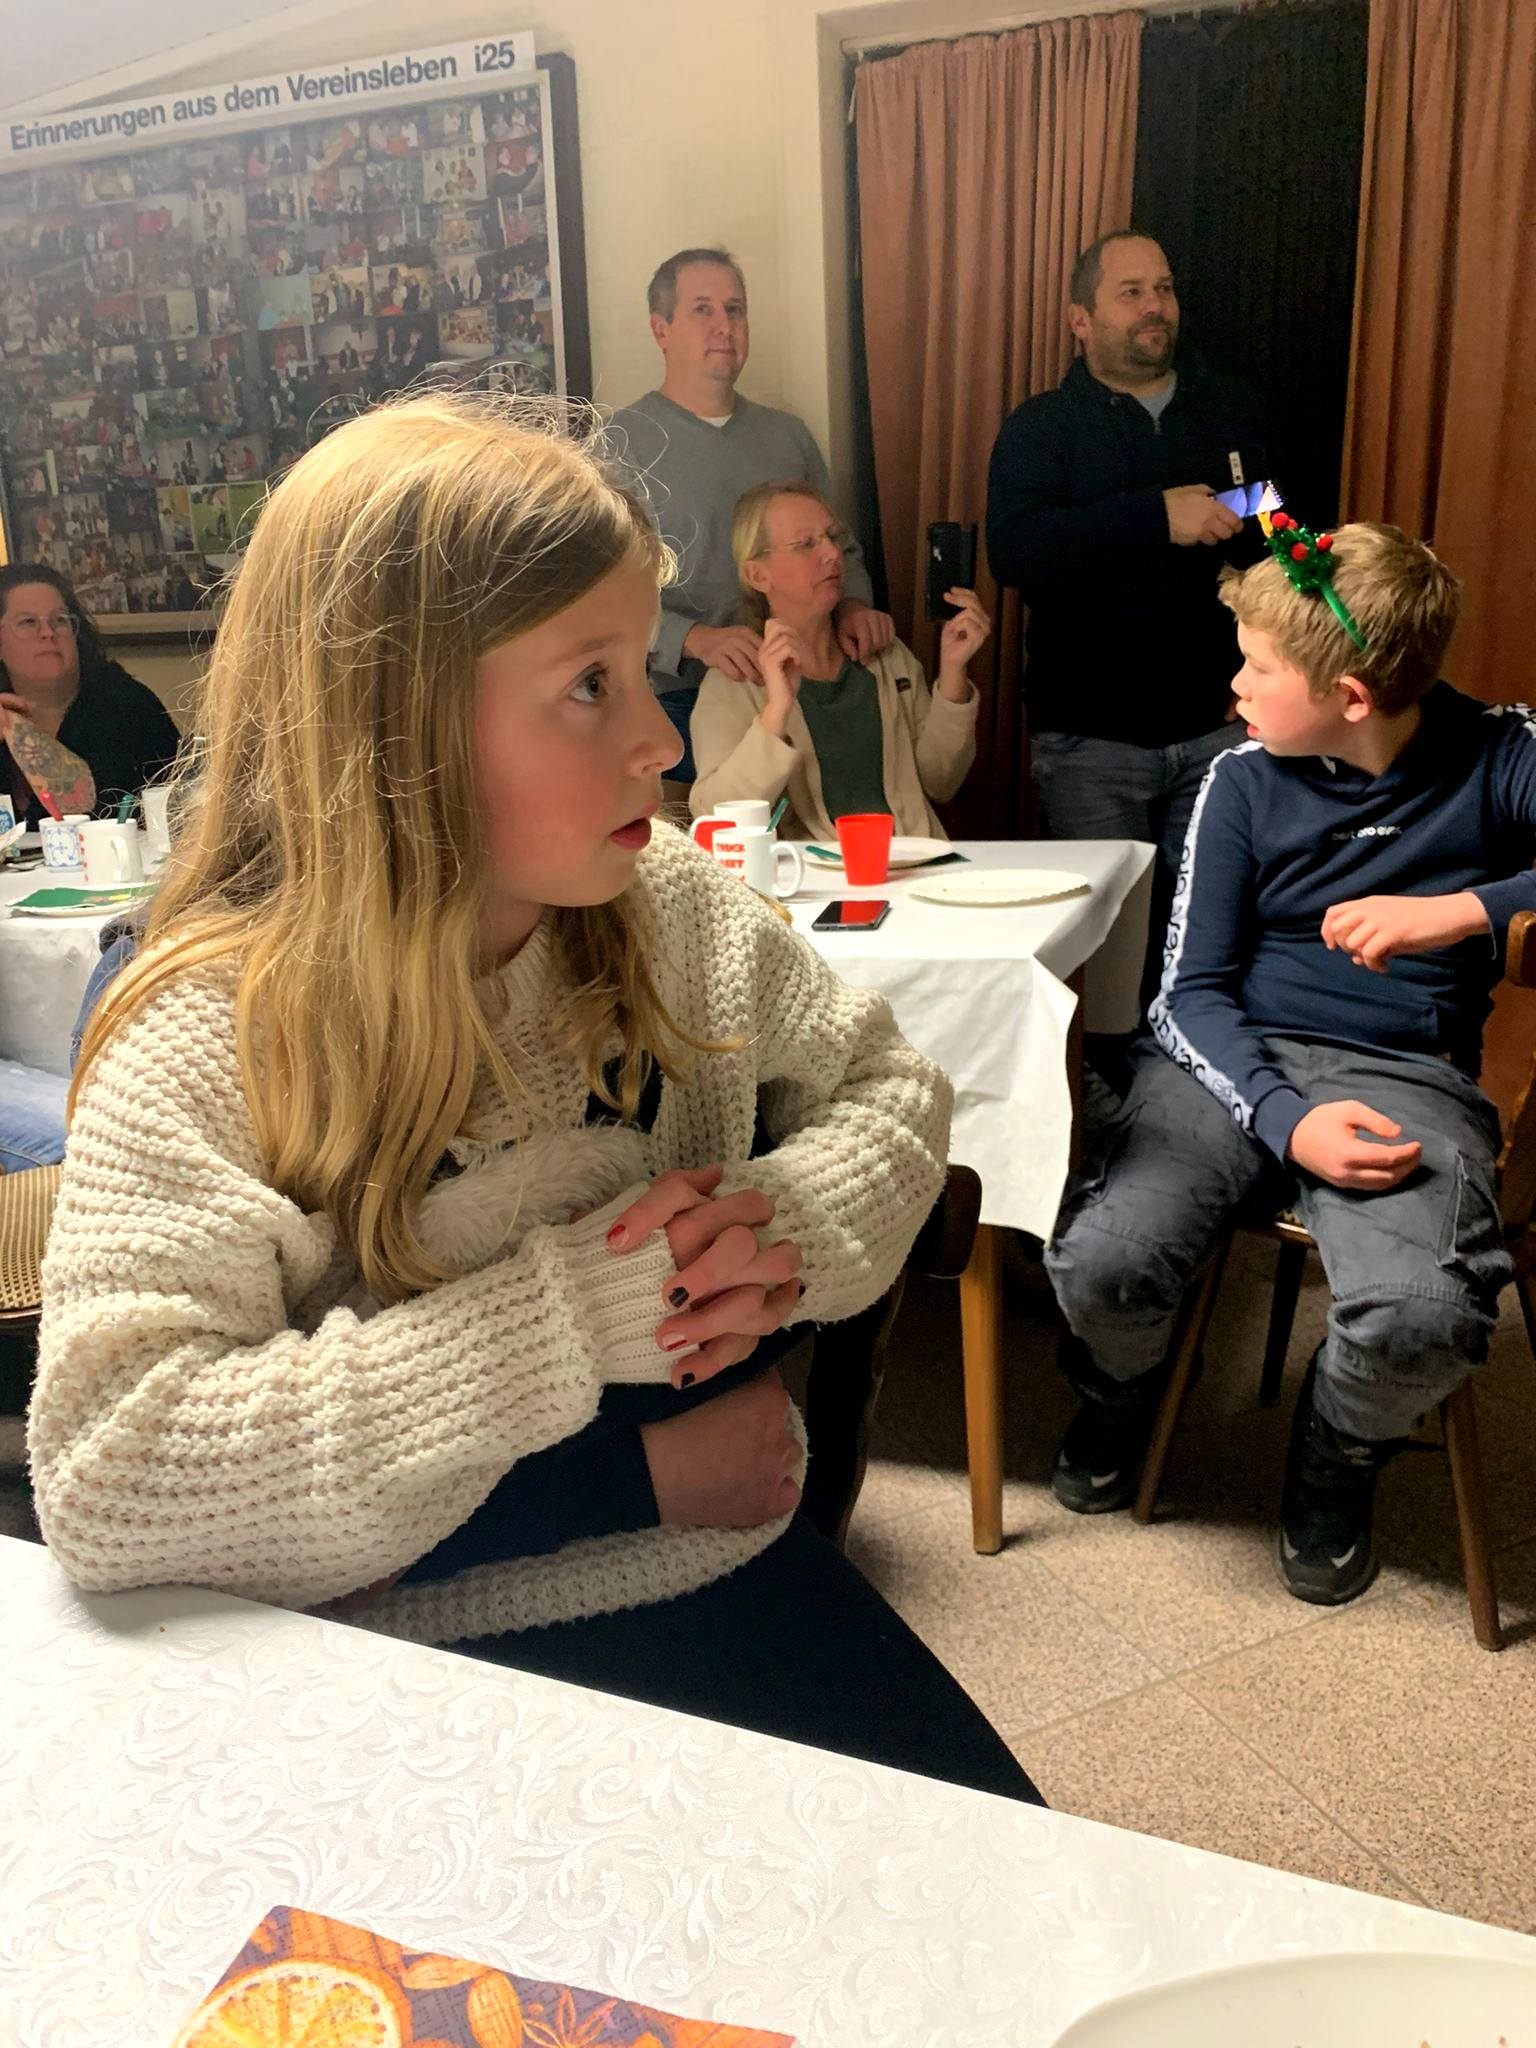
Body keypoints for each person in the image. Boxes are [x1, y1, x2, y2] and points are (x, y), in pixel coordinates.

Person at [29, 391, 1039, 1805]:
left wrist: (778, 1226)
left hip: (713, 1579)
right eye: (590, 685)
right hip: (370, 1674)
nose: (662, 745)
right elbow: (114, 1473)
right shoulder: (212, 1033)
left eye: (639, 671)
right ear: (400, 727)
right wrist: (580, 1320)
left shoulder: (670, 904)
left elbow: (891, 1085)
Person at [1044, 520, 1535, 1607]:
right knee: (1104, 1263)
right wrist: (1286, 1118)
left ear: (1350, 696)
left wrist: (1462, 909)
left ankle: (1336, 1450)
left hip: (1404, 1066)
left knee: (1423, 1322)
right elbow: (1188, 995)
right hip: (1233, 1056)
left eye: (1258, 667)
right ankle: (1120, 1390)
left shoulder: (1503, 752)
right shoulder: (1241, 779)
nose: (1234, 685)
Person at [987, 231, 1268, 872]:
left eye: (1163, 289)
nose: (1154, 305)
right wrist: (1154, 516)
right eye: (1131, 292)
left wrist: (1248, 511)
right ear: (1080, 320)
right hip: (1090, 745)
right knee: (1111, 930)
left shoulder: (1231, 407)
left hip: (1220, 728)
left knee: (1208, 919)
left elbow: (1275, 518)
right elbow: (1014, 549)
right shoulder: (1040, 428)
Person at [606, 248, 894, 784]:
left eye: (734, 310)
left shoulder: (788, 436)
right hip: (682, 697)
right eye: (703, 309)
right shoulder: (620, 446)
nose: (724, 326)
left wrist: (855, 603)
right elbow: (597, 595)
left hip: (804, 683)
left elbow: (842, 547)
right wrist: (692, 638)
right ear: (660, 329)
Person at [691, 479, 987, 839]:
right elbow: (713, 815)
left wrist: (953, 671)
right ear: (758, 574)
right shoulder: (735, 680)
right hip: (808, 871)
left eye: (833, 537)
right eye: (806, 544)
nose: (832, 553)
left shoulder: (886, 655)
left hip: (915, 860)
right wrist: (776, 713)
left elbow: (941, 782)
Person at [0, 564, 181, 827]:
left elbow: (84, 813)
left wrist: (16, 729)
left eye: (60, 620)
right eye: (28, 622)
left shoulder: (125, 704)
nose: (48, 633)